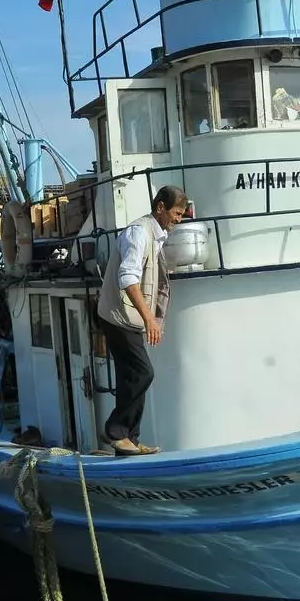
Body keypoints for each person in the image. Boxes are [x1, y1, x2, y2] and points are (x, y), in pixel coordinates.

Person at [95, 185, 187, 456]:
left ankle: (129, 440)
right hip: (116, 316)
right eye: (177, 213)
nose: (179, 220)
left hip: (128, 318)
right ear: (160, 207)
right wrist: (150, 320)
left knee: (132, 376)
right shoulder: (139, 232)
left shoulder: (157, 235)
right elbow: (128, 278)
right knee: (143, 373)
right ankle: (115, 431)